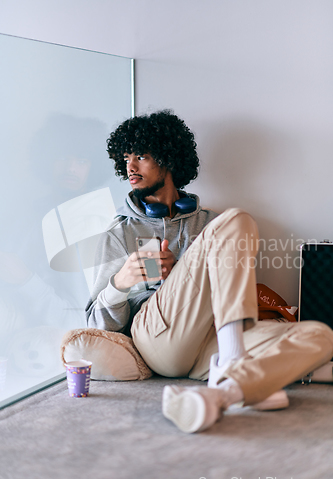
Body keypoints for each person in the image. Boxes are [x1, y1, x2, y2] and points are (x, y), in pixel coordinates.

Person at [86, 110, 333, 433]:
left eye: (142, 156)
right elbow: (93, 324)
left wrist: (189, 273)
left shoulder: (210, 223)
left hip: (208, 341)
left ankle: (225, 391)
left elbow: (230, 287)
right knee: (238, 219)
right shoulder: (118, 233)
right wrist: (122, 282)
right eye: (126, 158)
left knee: (321, 335)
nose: (130, 167)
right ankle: (234, 360)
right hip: (157, 338)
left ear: (169, 158)